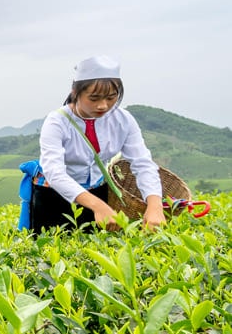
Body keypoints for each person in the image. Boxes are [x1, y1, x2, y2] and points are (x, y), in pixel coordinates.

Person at [29, 55, 166, 234]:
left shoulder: (123, 120)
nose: (103, 105)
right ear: (75, 92)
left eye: (111, 97)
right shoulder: (57, 121)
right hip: (54, 197)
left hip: (99, 192)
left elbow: (142, 163)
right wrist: (97, 206)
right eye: (94, 98)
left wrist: (155, 205)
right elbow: (55, 173)